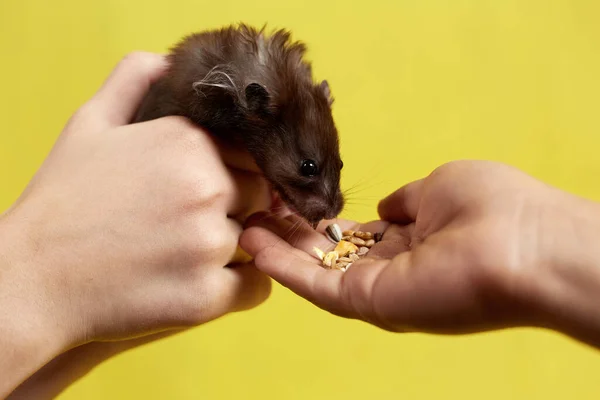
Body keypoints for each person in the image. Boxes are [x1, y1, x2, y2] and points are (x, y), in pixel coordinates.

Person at [2, 52, 599, 398]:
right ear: (253, 105)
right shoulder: (212, 101)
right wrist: (39, 280)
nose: (330, 205)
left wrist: (533, 244)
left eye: (328, 171)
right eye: (311, 171)